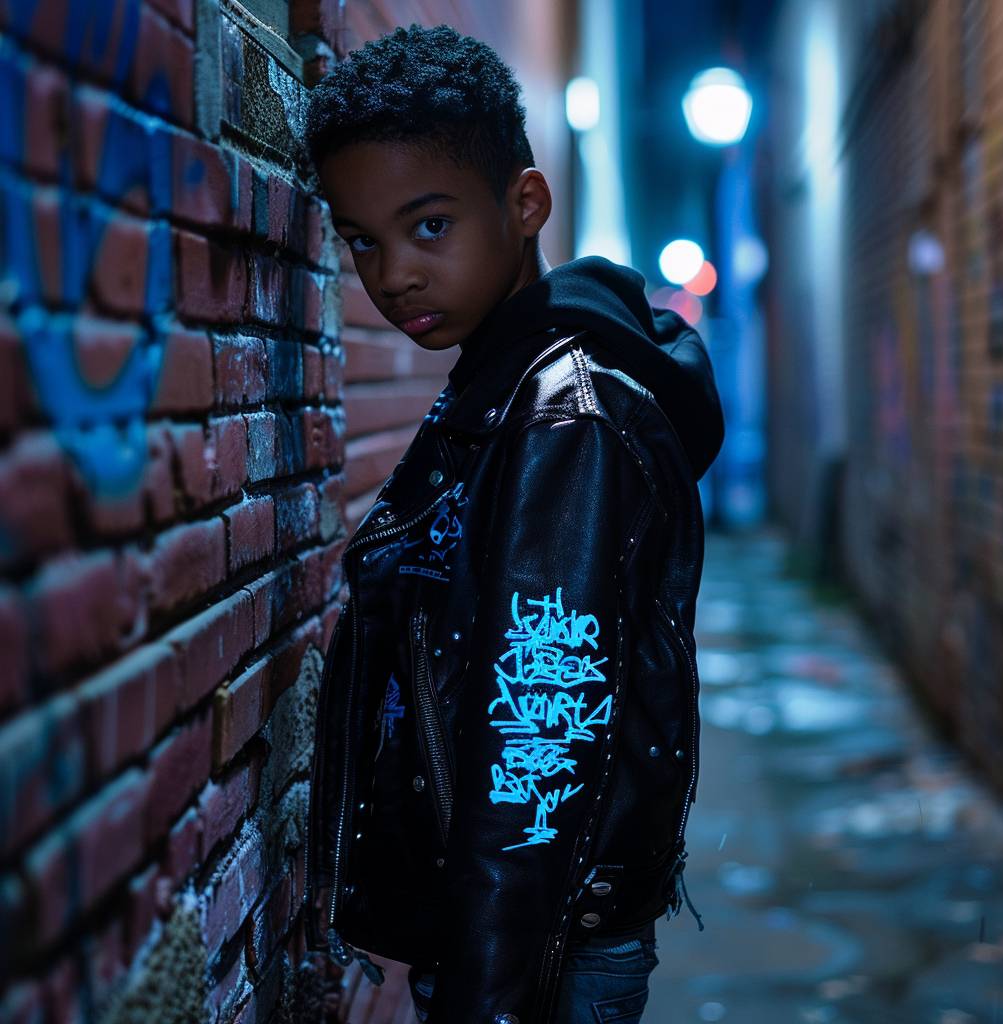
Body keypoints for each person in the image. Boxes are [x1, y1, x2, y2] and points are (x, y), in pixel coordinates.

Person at [301, 23, 724, 1024]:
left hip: (536, 957)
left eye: (429, 226)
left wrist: (489, 996)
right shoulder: (496, 394)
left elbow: (542, 731)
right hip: (513, 939)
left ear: (524, 203)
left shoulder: (559, 422)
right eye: (362, 239)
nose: (394, 271)